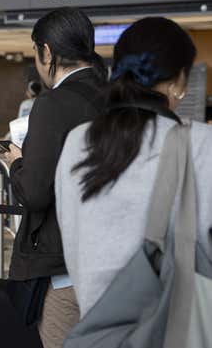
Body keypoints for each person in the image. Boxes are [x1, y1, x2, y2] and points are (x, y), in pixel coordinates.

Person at [55, 17, 212, 319]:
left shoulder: (78, 141)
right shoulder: (201, 144)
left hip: (99, 328)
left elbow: (73, 243)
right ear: (179, 80)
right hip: (177, 330)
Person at [0, 7, 107, 348]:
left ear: (47, 51)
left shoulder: (53, 104)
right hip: (112, 262)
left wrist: (17, 163)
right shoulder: (117, 98)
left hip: (65, 269)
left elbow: (34, 192)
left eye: (35, 52)